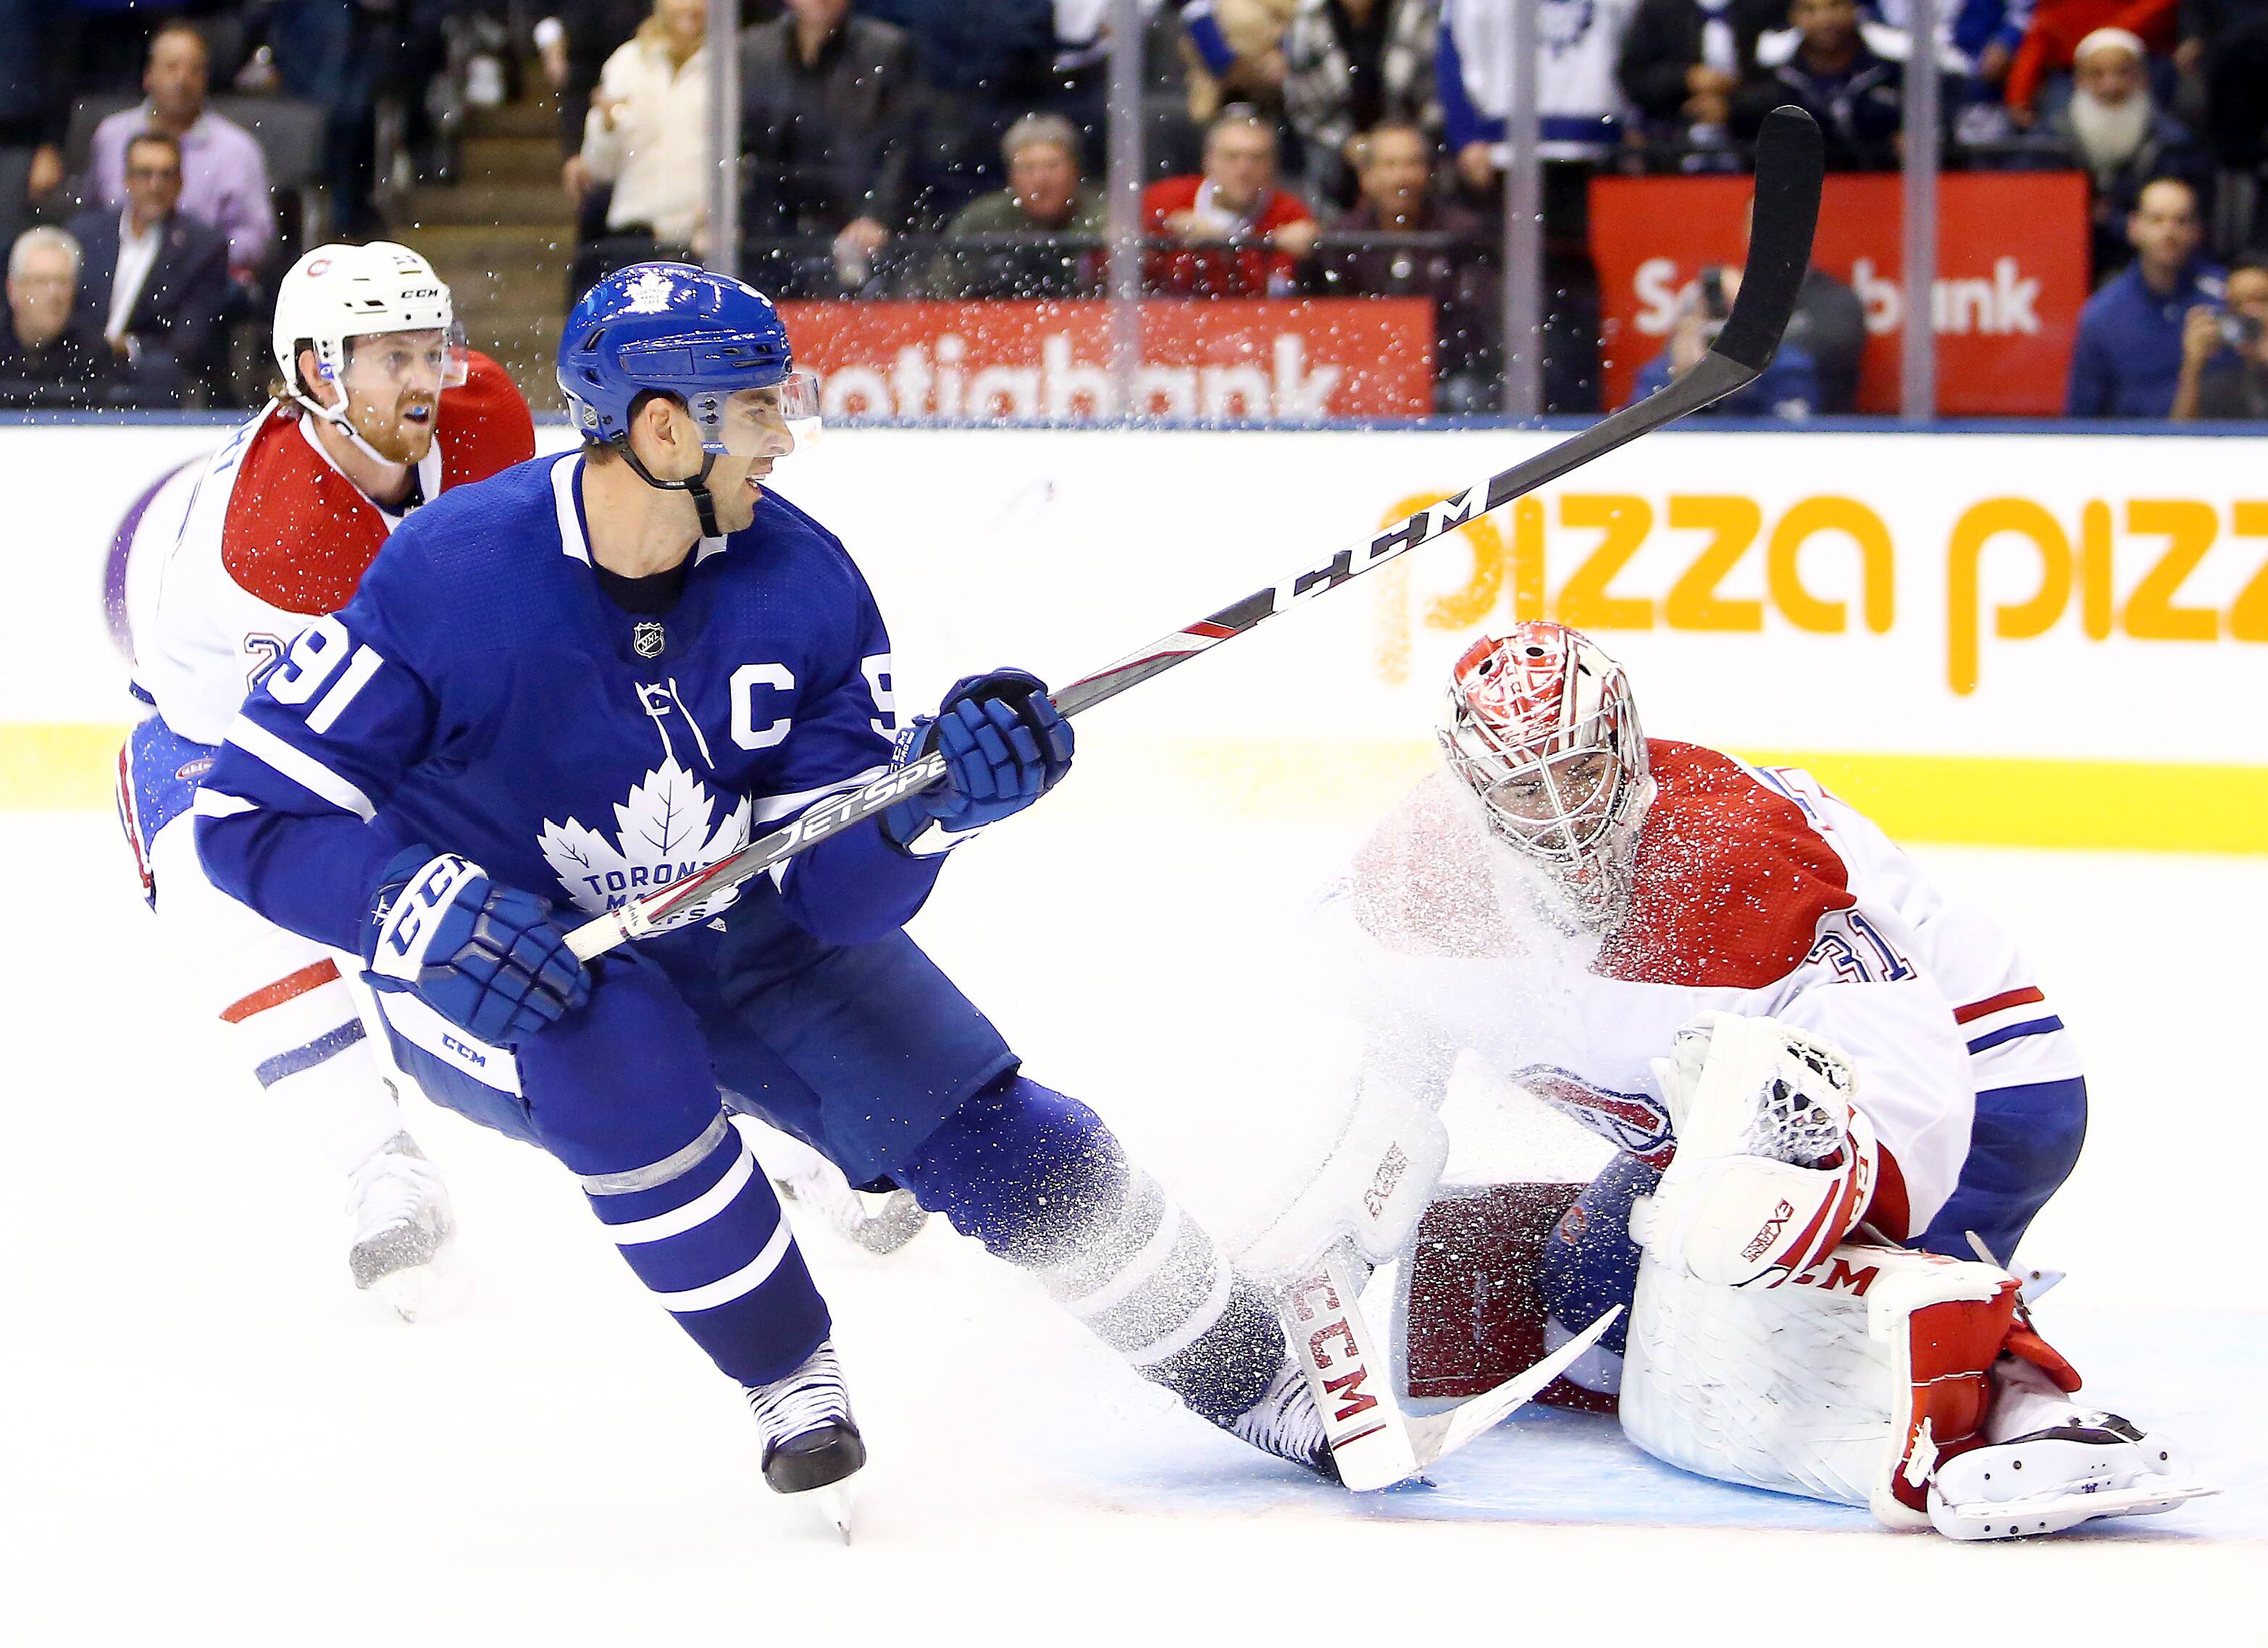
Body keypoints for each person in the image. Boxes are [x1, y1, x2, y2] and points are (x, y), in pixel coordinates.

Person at [188, 264, 1335, 1518]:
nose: (785, 442)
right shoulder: (452, 576)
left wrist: (930, 810)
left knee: (1008, 1140)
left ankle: (1258, 1378)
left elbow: (835, 898)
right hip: (511, 958)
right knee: (614, 1047)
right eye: (759, 410)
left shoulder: (805, 583)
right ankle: (787, 1371)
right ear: (664, 428)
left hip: (737, 929)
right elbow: (249, 817)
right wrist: (407, 911)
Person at [1250, 620, 2204, 1539]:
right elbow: (1370, 1050)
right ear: (1469, 789)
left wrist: (1823, 1190)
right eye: (1524, 790)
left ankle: (2028, 1400)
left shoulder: (1738, 858)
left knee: (1781, 1292)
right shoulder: (1417, 881)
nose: (1565, 815)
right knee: (1589, 1308)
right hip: (1735, 1111)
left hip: (1980, 1087)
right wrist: (1329, 1205)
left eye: (1580, 770)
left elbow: (1913, 1077)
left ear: (1624, 744)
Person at [114, 242, 537, 1319]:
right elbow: (363, 741)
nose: (423, 377)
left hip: (395, 694)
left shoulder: (480, 407)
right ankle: (378, 1162)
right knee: (218, 896)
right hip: (227, 738)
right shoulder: (275, 544)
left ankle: (773, 1127)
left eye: (430, 347)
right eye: (388, 355)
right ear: (314, 373)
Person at [740, 0, 922, 298]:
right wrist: (727, 215)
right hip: (768, 227)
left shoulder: (885, 49)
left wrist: (876, 214)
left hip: (852, 223)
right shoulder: (753, 50)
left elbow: (902, 142)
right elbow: (741, 141)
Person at [1309, 123, 1495, 410]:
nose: (1401, 177)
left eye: (1411, 164)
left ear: (1427, 172)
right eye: (1390, 165)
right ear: (1366, 177)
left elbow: (1472, 323)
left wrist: (1419, 367)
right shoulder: (1342, 240)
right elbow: (1326, 319)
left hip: (1444, 376)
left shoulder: (1459, 235)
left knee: (1467, 395)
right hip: (1358, 373)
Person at [89, 23, 276, 283]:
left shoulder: (238, 150)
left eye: (194, 70)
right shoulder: (111, 136)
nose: (182, 79)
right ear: (148, 75)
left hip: (202, 279)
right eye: (171, 67)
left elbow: (255, 236)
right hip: (116, 272)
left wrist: (195, 258)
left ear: (206, 80)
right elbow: (92, 215)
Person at [66, 131, 236, 408]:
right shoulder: (85, 234)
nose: (155, 185)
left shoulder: (202, 246)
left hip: (143, 379)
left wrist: (127, 348)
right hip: (76, 368)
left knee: (160, 371)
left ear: (181, 183)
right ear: (127, 180)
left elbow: (190, 339)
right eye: (145, 174)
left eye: (166, 175)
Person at [571, 0, 710, 283]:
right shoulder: (627, 63)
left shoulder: (732, 64)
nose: (691, 7)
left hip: (701, 245)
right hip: (633, 243)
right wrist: (607, 125)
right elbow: (599, 169)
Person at [2051, 28, 2201, 280]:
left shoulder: (2172, 142)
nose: (2110, 85)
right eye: (2097, 74)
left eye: (2122, 73)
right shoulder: (2052, 138)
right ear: (2079, 80)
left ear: (2142, 77)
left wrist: (2116, 221)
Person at [2067, 175, 2222, 417]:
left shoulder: (2226, 297)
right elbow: (2081, 420)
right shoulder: (2102, 317)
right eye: (2156, 220)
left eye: (2180, 221)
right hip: (2131, 450)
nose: (2169, 232)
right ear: (2134, 228)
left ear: (2196, 231)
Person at [1438, 0, 1639, 185]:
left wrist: (1641, 125)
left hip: (1605, 154)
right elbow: (1451, 53)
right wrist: (1466, 136)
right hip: (1503, 155)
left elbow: (1647, 42)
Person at [928, 112, 1108, 300]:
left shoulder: (1104, 218)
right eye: (1028, 168)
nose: (1041, 180)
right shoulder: (980, 221)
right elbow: (940, 289)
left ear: (1075, 169)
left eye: (1053, 166)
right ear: (1011, 176)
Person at [1143, 106, 1320, 297]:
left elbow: (1275, 292)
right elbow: (1119, 261)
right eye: (1231, 157)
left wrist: (1308, 255)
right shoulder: (1162, 200)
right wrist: (1163, 231)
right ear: (1208, 160)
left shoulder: (1290, 214)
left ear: (1273, 165)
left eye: (1257, 158)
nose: (1243, 170)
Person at [1279, 0, 1440, 206]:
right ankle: (1328, 225)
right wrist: (1346, 143)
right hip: (1332, 141)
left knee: (1410, 162)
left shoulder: (1414, 15)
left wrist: (1395, 143)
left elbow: (1431, 93)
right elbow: (1302, 104)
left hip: (1404, 132)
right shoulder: (1310, 19)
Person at [1628, 263, 1821, 417]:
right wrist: (1684, 384)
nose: (1719, 334)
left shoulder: (1788, 366)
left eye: (1732, 317)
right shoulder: (1664, 370)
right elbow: (1639, 433)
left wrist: (1743, 381)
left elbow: (1793, 431)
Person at [0, 227, 120, 410]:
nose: (54, 294)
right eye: (41, 281)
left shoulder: (93, 354)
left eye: (63, 282)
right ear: (13, 289)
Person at [2173, 254, 2268, 419]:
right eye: (2238, 304)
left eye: (2262, 300)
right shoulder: (2218, 386)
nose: (2249, 313)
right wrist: (2192, 367)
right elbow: (2178, 440)